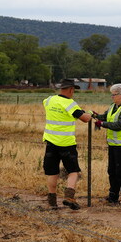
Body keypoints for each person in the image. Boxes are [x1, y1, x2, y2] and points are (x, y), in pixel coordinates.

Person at [43, 78, 92, 210]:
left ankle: (52, 201)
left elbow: (49, 107)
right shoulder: (70, 103)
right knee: (73, 171)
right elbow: (85, 119)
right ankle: (69, 197)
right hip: (66, 144)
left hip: (51, 143)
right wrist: (90, 114)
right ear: (71, 89)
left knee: (52, 172)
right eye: (73, 91)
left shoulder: (49, 100)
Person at [92, 83, 121, 204]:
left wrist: (102, 124)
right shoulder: (113, 106)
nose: (112, 97)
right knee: (112, 170)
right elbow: (104, 117)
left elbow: (119, 125)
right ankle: (113, 196)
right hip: (113, 145)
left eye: (114, 95)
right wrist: (95, 115)